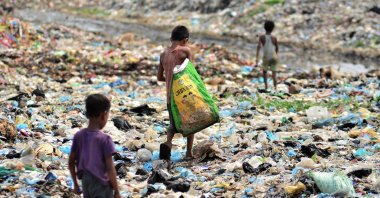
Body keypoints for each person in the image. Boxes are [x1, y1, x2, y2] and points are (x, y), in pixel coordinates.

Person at [68, 94, 121, 198]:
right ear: (103, 115)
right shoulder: (105, 139)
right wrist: (117, 191)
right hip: (102, 184)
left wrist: (75, 184)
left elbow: (71, 162)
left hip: (85, 182)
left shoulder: (79, 136)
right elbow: (110, 169)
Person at [157, 25, 194, 160]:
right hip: (184, 95)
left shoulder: (163, 54)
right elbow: (191, 73)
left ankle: (168, 144)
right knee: (191, 123)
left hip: (170, 97)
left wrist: (170, 80)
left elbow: (159, 77)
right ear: (185, 40)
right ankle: (189, 153)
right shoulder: (185, 51)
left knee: (173, 124)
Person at [255, 20, 279, 91]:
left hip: (266, 57)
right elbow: (277, 48)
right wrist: (276, 55)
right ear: (273, 28)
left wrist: (257, 58)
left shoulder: (262, 37)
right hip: (273, 57)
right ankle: (275, 88)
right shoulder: (274, 38)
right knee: (274, 73)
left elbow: (258, 47)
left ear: (264, 27)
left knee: (265, 72)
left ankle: (266, 87)